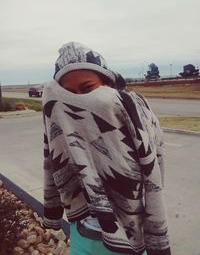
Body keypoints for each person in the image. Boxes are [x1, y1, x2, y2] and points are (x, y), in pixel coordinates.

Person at [42, 41, 171, 255]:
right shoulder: (61, 123)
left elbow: (154, 179)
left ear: (108, 85)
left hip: (129, 240)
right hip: (83, 234)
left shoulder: (134, 116)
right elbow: (51, 162)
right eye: (69, 94)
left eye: (88, 89)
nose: (79, 102)